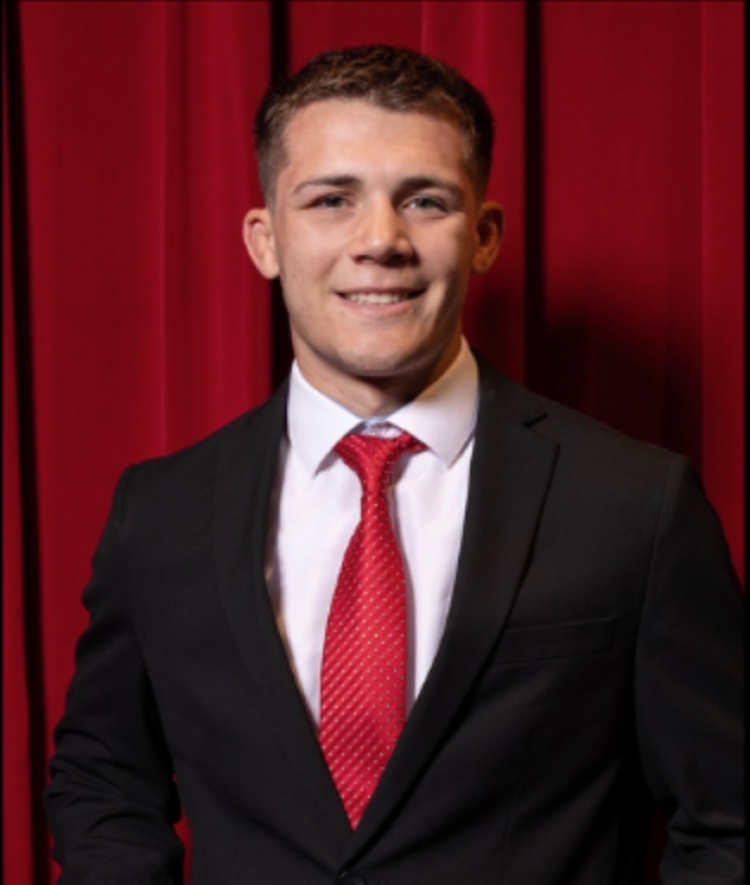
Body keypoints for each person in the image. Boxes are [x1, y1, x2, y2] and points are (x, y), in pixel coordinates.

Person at [45, 45, 743, 885]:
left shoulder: (636, 504)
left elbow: (730, 818)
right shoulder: (159, 511)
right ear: (266, 239)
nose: (380, 240)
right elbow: (104, 779)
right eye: (332, 199)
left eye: (424, 200)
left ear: (483, 237)